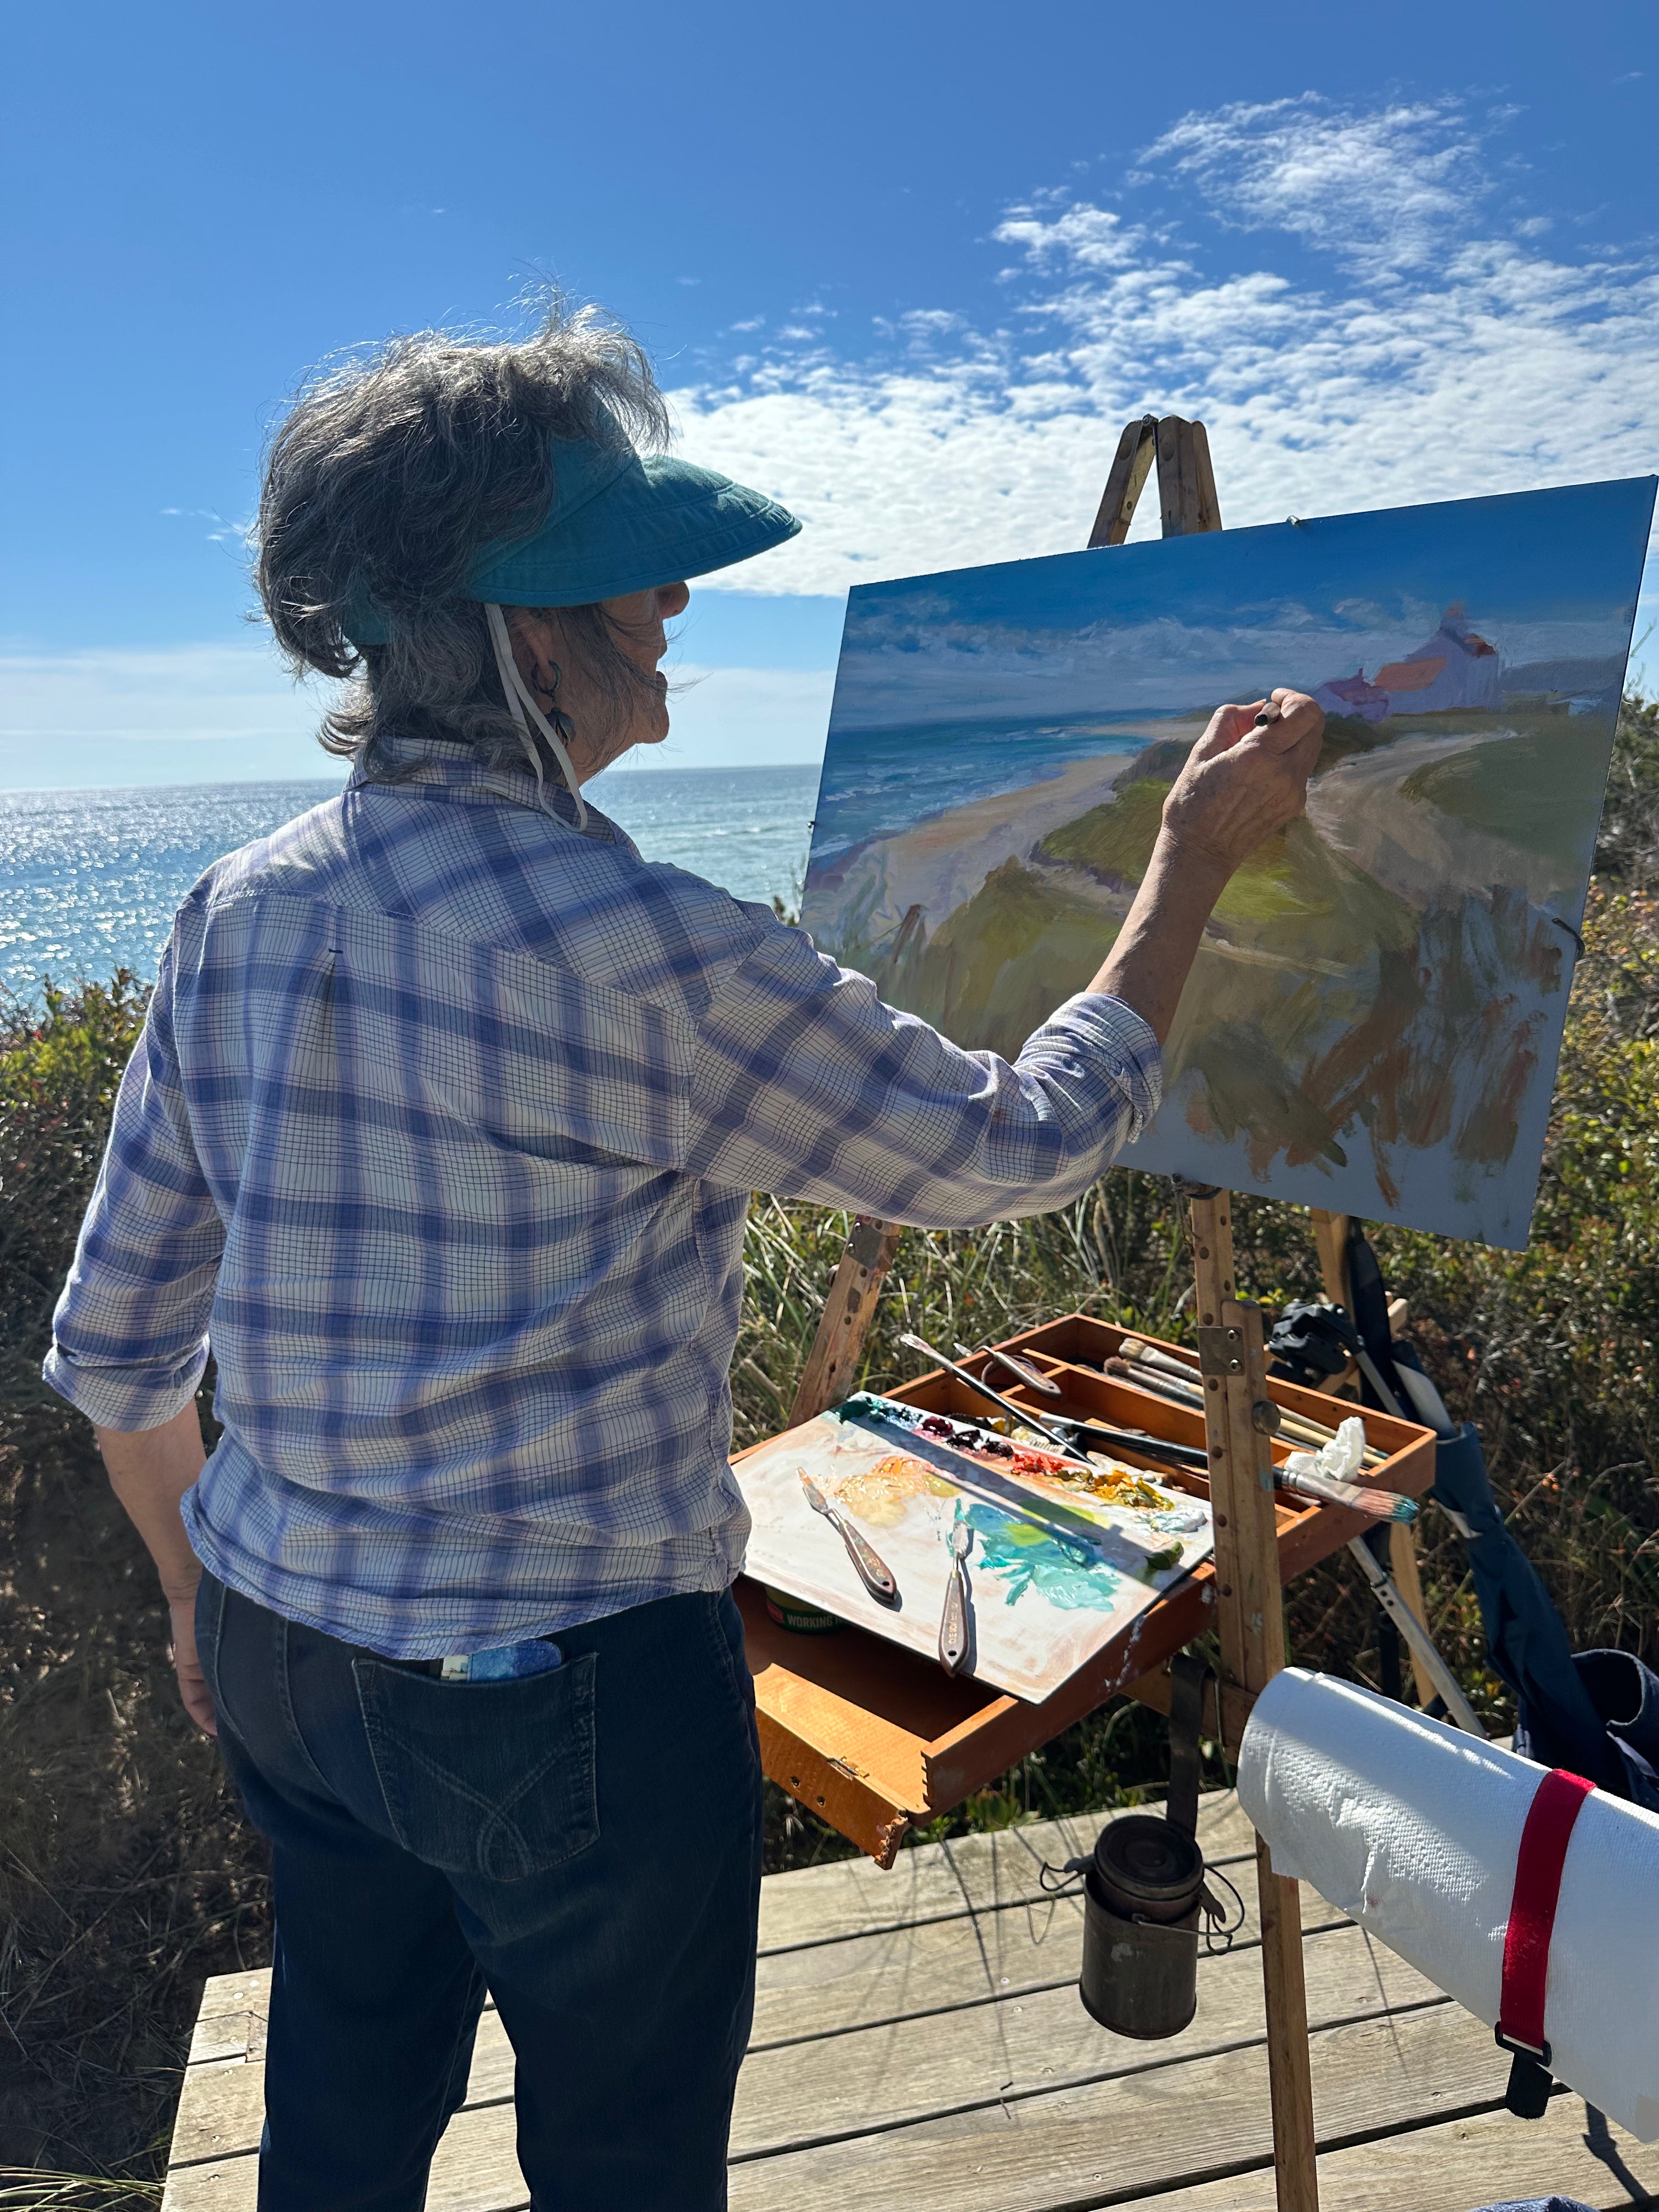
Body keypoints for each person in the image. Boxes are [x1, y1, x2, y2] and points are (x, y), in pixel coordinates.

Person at [44, 303, 1324, 2212]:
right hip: (556, 1692)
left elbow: (120, 1351)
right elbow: (1013, 1143)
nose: (672, 612)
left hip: (279, 1639)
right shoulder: (646, 950)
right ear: (517, 630)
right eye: (626, 577)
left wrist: (186, 1600)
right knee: (627, 2162)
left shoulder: (234, 906)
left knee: (339, 2101)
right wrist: (1191, 861)